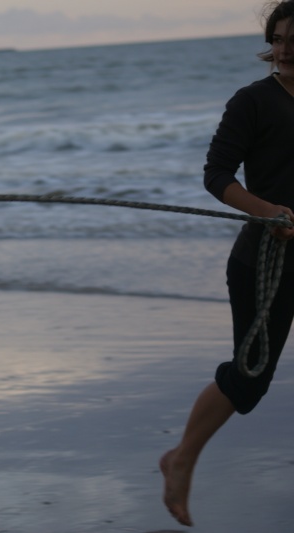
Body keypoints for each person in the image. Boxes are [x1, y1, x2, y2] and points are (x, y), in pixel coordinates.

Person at [160, 0, 294, 527]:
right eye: (279, 39)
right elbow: (217, 176)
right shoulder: (253, 101)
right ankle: (182, 457)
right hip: (265, 257)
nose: (284, 50)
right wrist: (269, 212)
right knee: (249, 378)